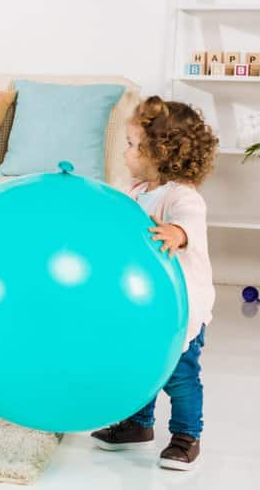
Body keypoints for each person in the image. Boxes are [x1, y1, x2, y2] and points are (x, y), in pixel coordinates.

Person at [91, 96, 218, 470]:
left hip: (181, 311)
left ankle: (185, 435)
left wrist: (177, 233)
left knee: (180, 377)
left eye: (132, 146)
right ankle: (137, 424)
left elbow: (189, 223)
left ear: (160, 153)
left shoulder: (182, 197)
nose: (126, 153)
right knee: (141, 369)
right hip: (142, 308)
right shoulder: (136, 191)